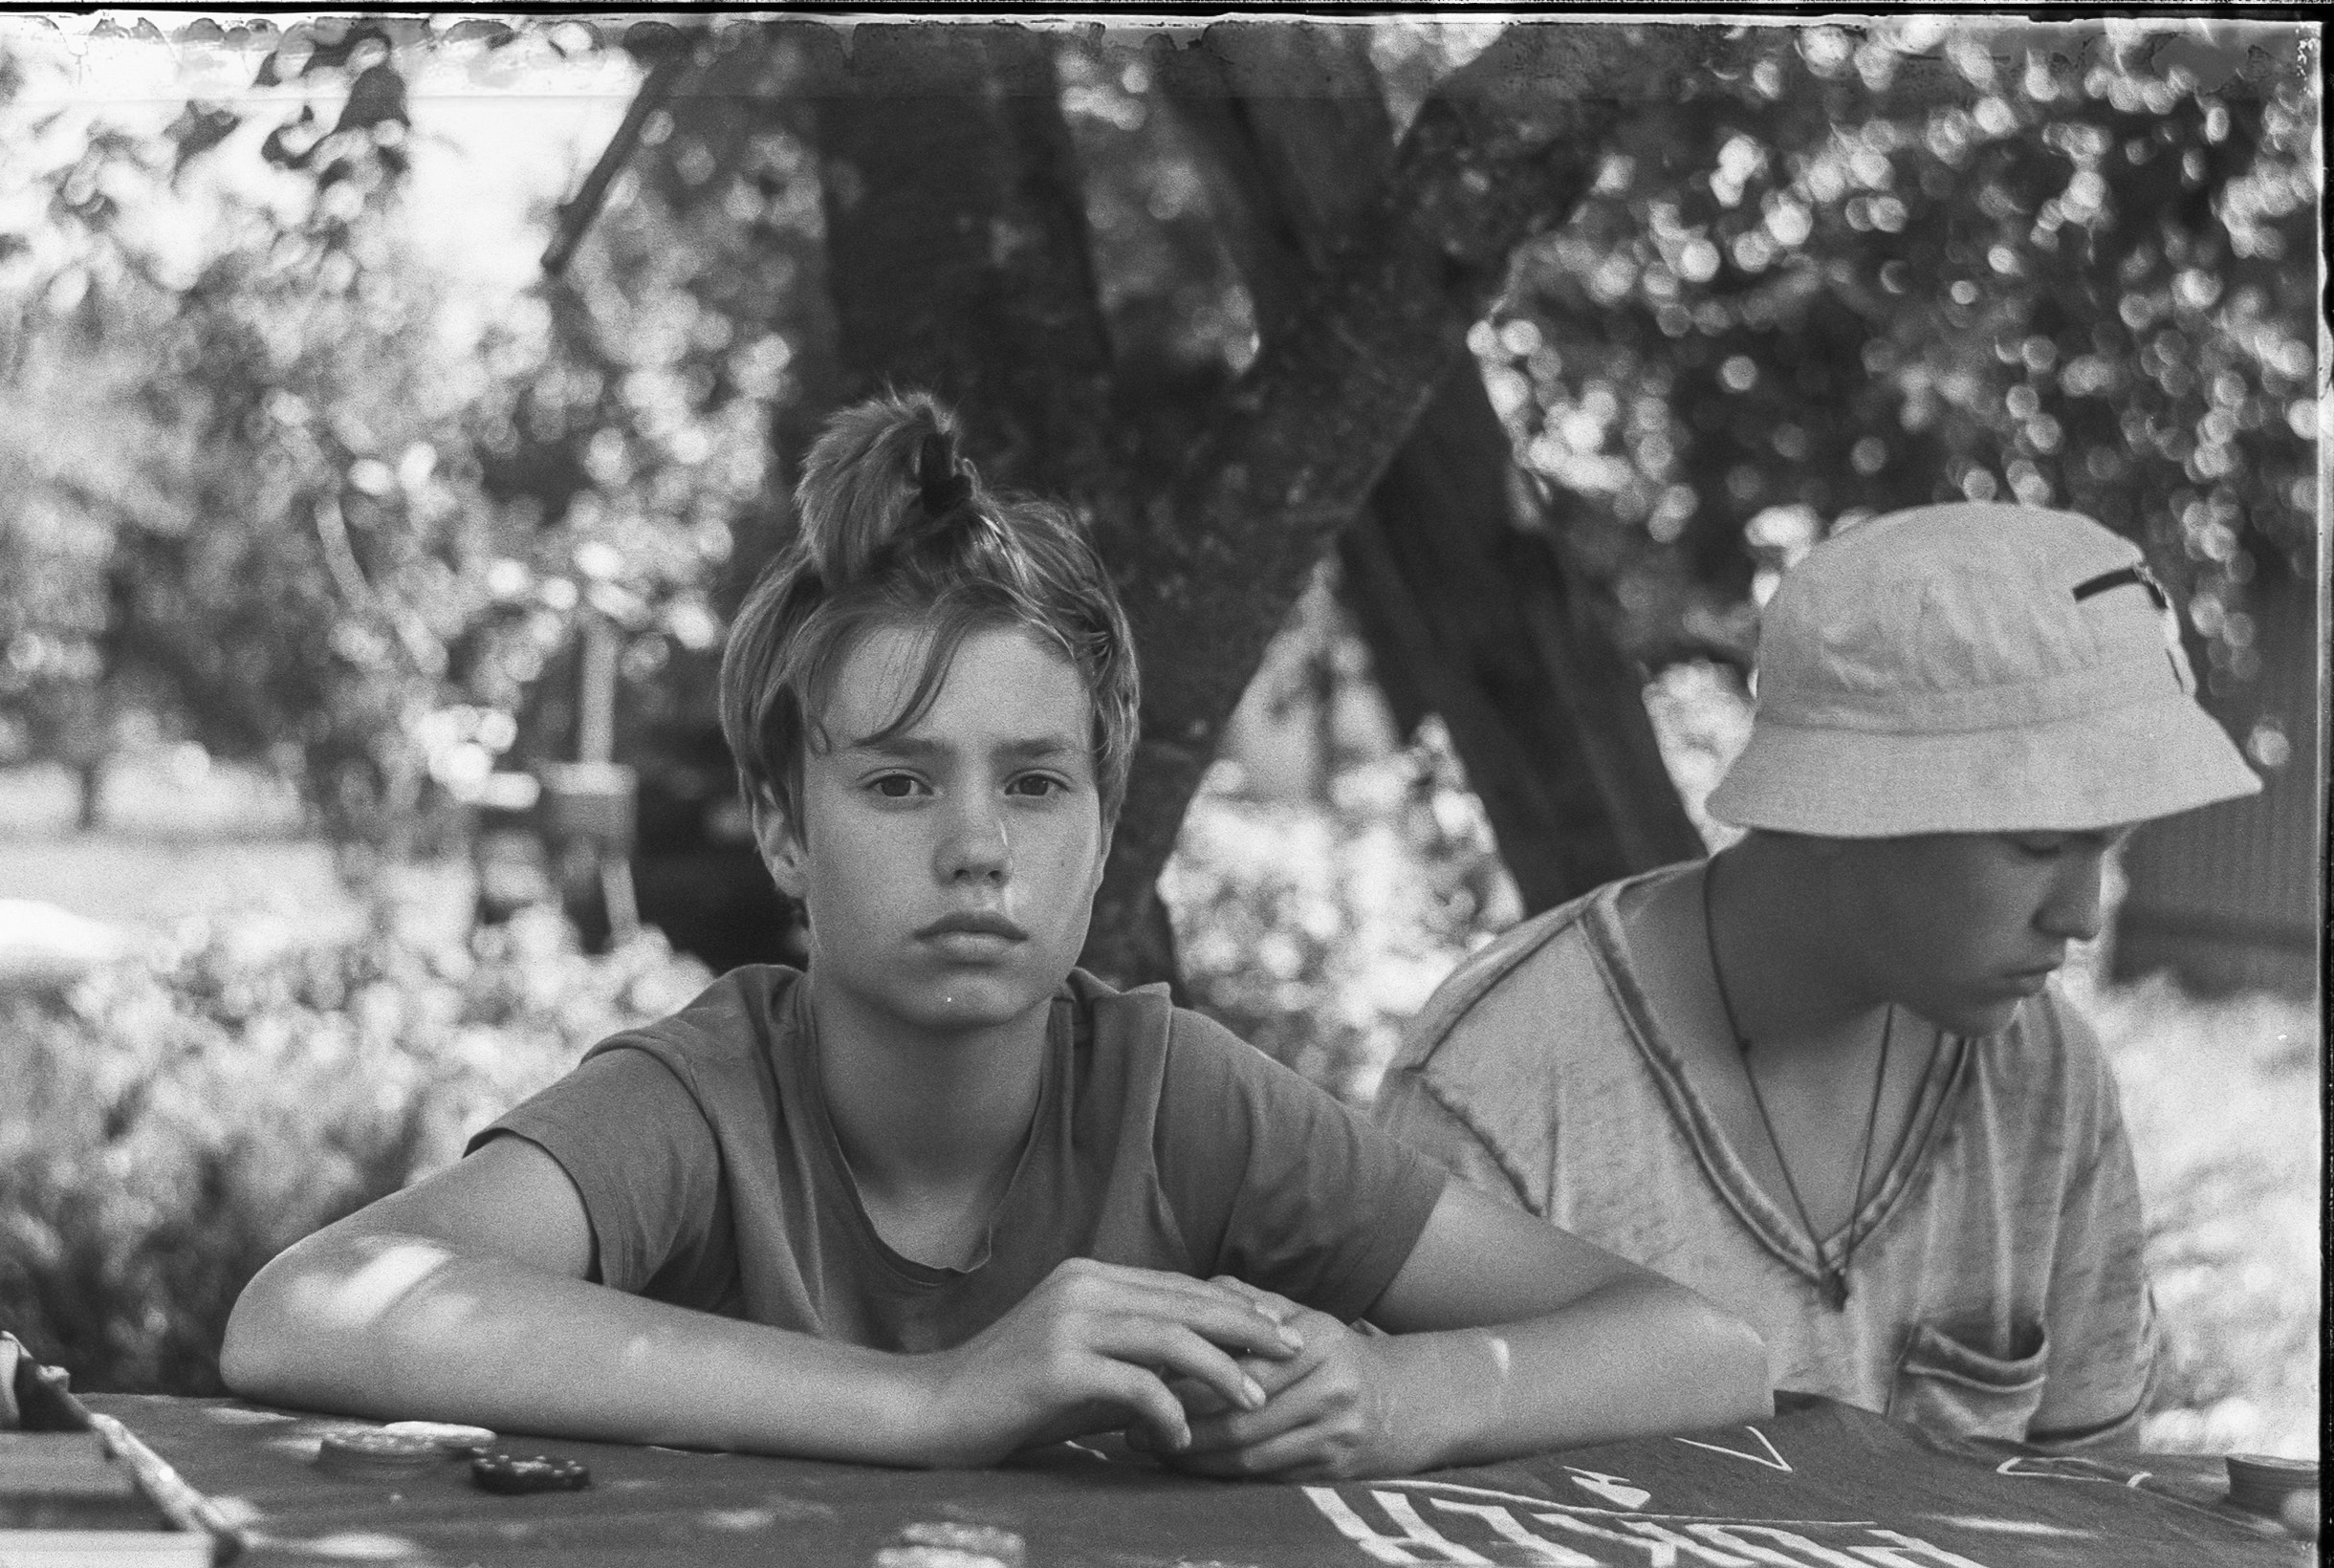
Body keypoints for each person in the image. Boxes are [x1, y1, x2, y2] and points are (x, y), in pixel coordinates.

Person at [224, 392, 1768, 1479]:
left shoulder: (1182, 1101)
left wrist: (1399, 1390)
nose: (976, 846)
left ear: (1101, 825)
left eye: (1035, 782)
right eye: (898, 781)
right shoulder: (704, 1102)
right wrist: (932, 1401)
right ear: (783, 827)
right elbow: (309, 1308)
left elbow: (1702, 1345)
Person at [1371, 503, 2262, 1452]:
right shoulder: (1497, 1091)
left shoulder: (2045, 1072)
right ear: (1844, 805)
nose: (2081, 914)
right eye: (2038, 842)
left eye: (2110, 845)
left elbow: (2091, 1509)